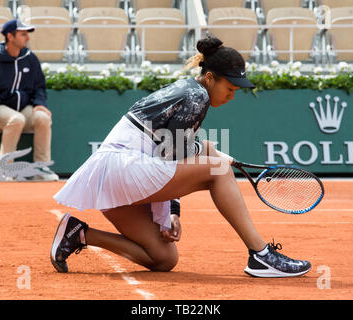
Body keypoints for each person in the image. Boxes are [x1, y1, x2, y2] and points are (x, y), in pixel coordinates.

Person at [50, 36, 311, 278]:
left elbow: (169, 156)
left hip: (112, 175)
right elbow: (172, 159)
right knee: (218, 168)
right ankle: (260, 254)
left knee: (163, 258)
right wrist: (172, 208)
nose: (232, 96)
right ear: (210, 78)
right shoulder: (196, 97)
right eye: (230, 88)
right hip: (123, 167)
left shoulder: (189, 90)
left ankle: (79, 233)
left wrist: (171, 214)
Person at [0, 19, 58, 181]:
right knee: (16, 119)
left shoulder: (30, 59)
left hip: (22, 108)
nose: (28, 38)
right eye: (23, 34)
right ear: (10, 37)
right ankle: (4, 169)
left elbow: (39, 86)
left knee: (43, 118)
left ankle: (40, 167)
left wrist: (40, 104)